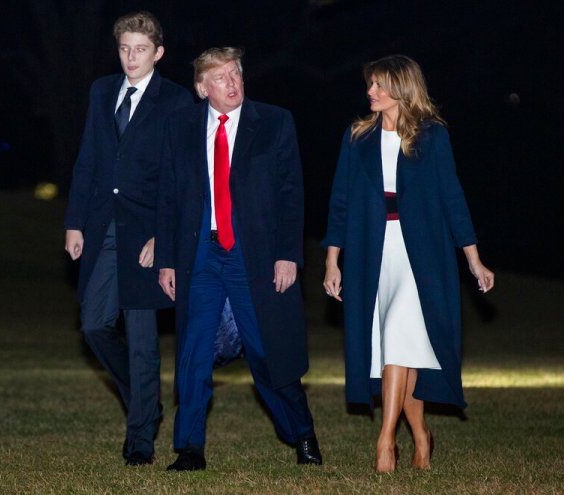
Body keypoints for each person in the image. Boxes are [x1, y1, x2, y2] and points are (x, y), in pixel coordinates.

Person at [322, 55, 494, 473]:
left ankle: (385, 442)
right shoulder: (357, 137)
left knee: (398, 339)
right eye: (370, 85)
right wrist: (332, 262)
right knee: (396, 348)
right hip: (372, 251)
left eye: (379, 85)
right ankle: (420, 435)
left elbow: (453, 198)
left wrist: (474, 260)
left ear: (402, 87)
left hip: (422, 253)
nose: (370, 92)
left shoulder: (432, 136)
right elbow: (340, 203)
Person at [156, 47, 322, 471]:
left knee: (267, 353)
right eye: (221, 77)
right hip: (202, 255)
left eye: (236, 75)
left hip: (257, 255)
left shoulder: (274, 122)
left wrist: (288, 255)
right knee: (193, 352)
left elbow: (291, 196)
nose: (232, 84)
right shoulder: (181, 126)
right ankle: (189, 448)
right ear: (201, 88)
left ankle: (302, 434)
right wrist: (169, 260)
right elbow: (170, 197)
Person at [63, 11, 192, 466]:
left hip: (146, 235)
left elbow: (180, 179)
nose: (131, 58)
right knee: (94, 325)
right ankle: (146, 400)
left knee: (141, 340)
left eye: (140, 50)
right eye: (124, 48)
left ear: (157, 52)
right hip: (102, 227)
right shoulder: (102, 91)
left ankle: (140, 438)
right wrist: (75, 221)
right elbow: (89, 158)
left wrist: (163, 235)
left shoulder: (176, 101)